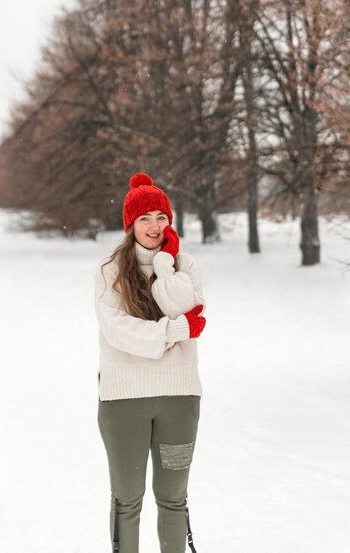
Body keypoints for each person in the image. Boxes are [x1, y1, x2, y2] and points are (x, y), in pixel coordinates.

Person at [94, 172, 206, 553]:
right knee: (127, 498)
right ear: (130, 225)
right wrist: (173, 332)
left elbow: (186, 310)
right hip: (124, 402)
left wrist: (165, 265)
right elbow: (117, 329)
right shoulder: (110, 271)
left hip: (179, 399)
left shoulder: (185, 267)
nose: (154, 226)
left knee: (174, 498)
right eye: (145, 218)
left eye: (161, 217)